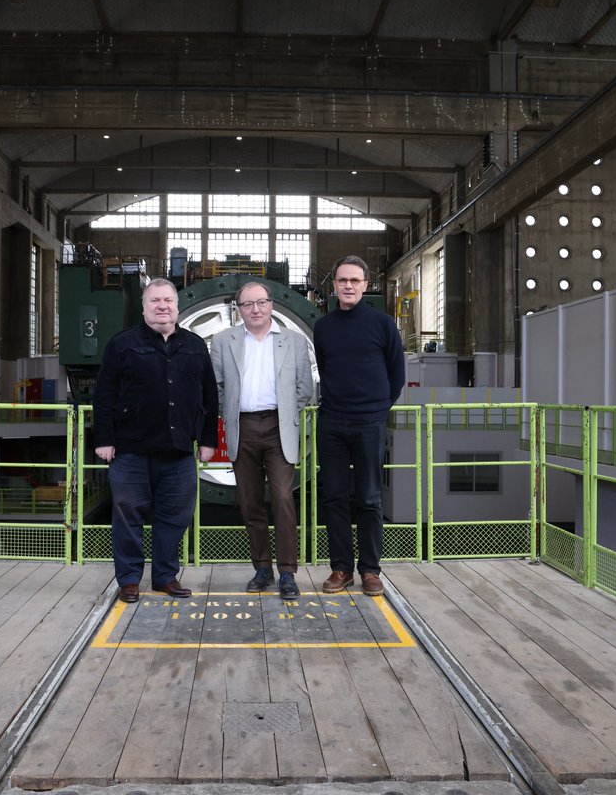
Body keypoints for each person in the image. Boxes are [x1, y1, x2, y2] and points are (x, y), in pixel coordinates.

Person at [93, 278, 219, 604]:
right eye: (155, 301)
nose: (162, 306)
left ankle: (165, 576)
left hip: (177, 452)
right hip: (130, 450)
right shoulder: (121, 344)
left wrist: (208, 441)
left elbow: (209, 397)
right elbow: (103, 395)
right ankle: (130, 579)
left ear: (177, 307)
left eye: (168, 301)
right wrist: (104, 439)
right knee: (127, 515)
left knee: (174, 517)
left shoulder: (194, 345)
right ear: (144, 307)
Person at [211, 280, 315, 600]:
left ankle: (287, 572)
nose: (255, 309)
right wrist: (230, 413)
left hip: (278, 426)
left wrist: (283, 414)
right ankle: (262, 568)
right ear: (238, 309)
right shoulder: (222, 340)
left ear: (271, 304)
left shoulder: (294, 342)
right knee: (249, 500)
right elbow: (216, 387)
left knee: (283, 497)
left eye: (261, 302)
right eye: (247, 304)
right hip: (241, 427)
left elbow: (304, 389)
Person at [312, 255, 405, 596]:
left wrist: (377, 409)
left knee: (369, 497)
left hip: (369, 422)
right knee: (334, 496)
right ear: (334, 286)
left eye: (354, 281)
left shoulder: (382, 325)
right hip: (332, 421)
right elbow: (325, 367)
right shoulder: (323, 327)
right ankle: (341, 569)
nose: (348, 286)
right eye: (342, 281)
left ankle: (370, 570)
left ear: (366, 285)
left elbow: (397, 375)